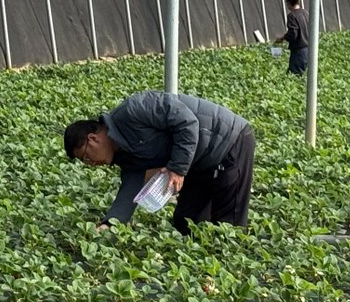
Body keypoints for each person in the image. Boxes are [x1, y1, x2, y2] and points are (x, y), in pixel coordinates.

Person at [63, 90, 256, 236]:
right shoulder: (123, 154)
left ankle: (229, 270)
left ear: (93, 138)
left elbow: (187, 123)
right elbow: (131, 187)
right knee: (186, 221)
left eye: (86, 157)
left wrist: (177, 168)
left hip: (227, 140)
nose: (90, 163)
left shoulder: (134, 110)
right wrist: (110, 223)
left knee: (229, 224)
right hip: (197, 160)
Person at [274, 0, 310, 75]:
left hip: (299, 51)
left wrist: (283, 38)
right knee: (302, 74)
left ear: (288, 2)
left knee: (293, 75)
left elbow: (293, 34)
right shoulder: (305, 13)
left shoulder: (292, 16)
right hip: (309, 49)